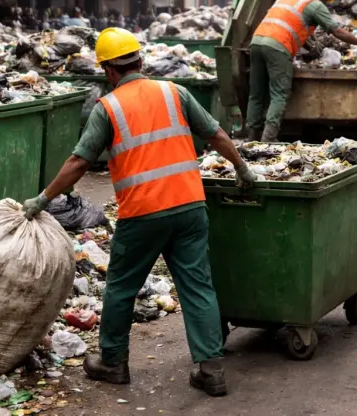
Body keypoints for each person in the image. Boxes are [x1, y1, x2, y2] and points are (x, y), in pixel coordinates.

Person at [22, 27, 257, 397]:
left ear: (108, 71)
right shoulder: (174, 92)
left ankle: (113, 362)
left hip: (143, 214)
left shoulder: (109, 108)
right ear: (141, 62)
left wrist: (43, 199)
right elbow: (217, 135)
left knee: (121, 287)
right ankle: (211, 370)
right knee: (197, 287)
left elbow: (79, 162)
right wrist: (243, 170)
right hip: (190, 207)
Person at [245, 0, 357, 142]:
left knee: (256, 94)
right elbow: (336, 31)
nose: (325, 3)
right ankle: (268, 139)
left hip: (257, 41)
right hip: (278, 45)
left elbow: (288, 22)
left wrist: (312, 47)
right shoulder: (314, 4)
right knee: (279, 94)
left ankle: (250, 139)